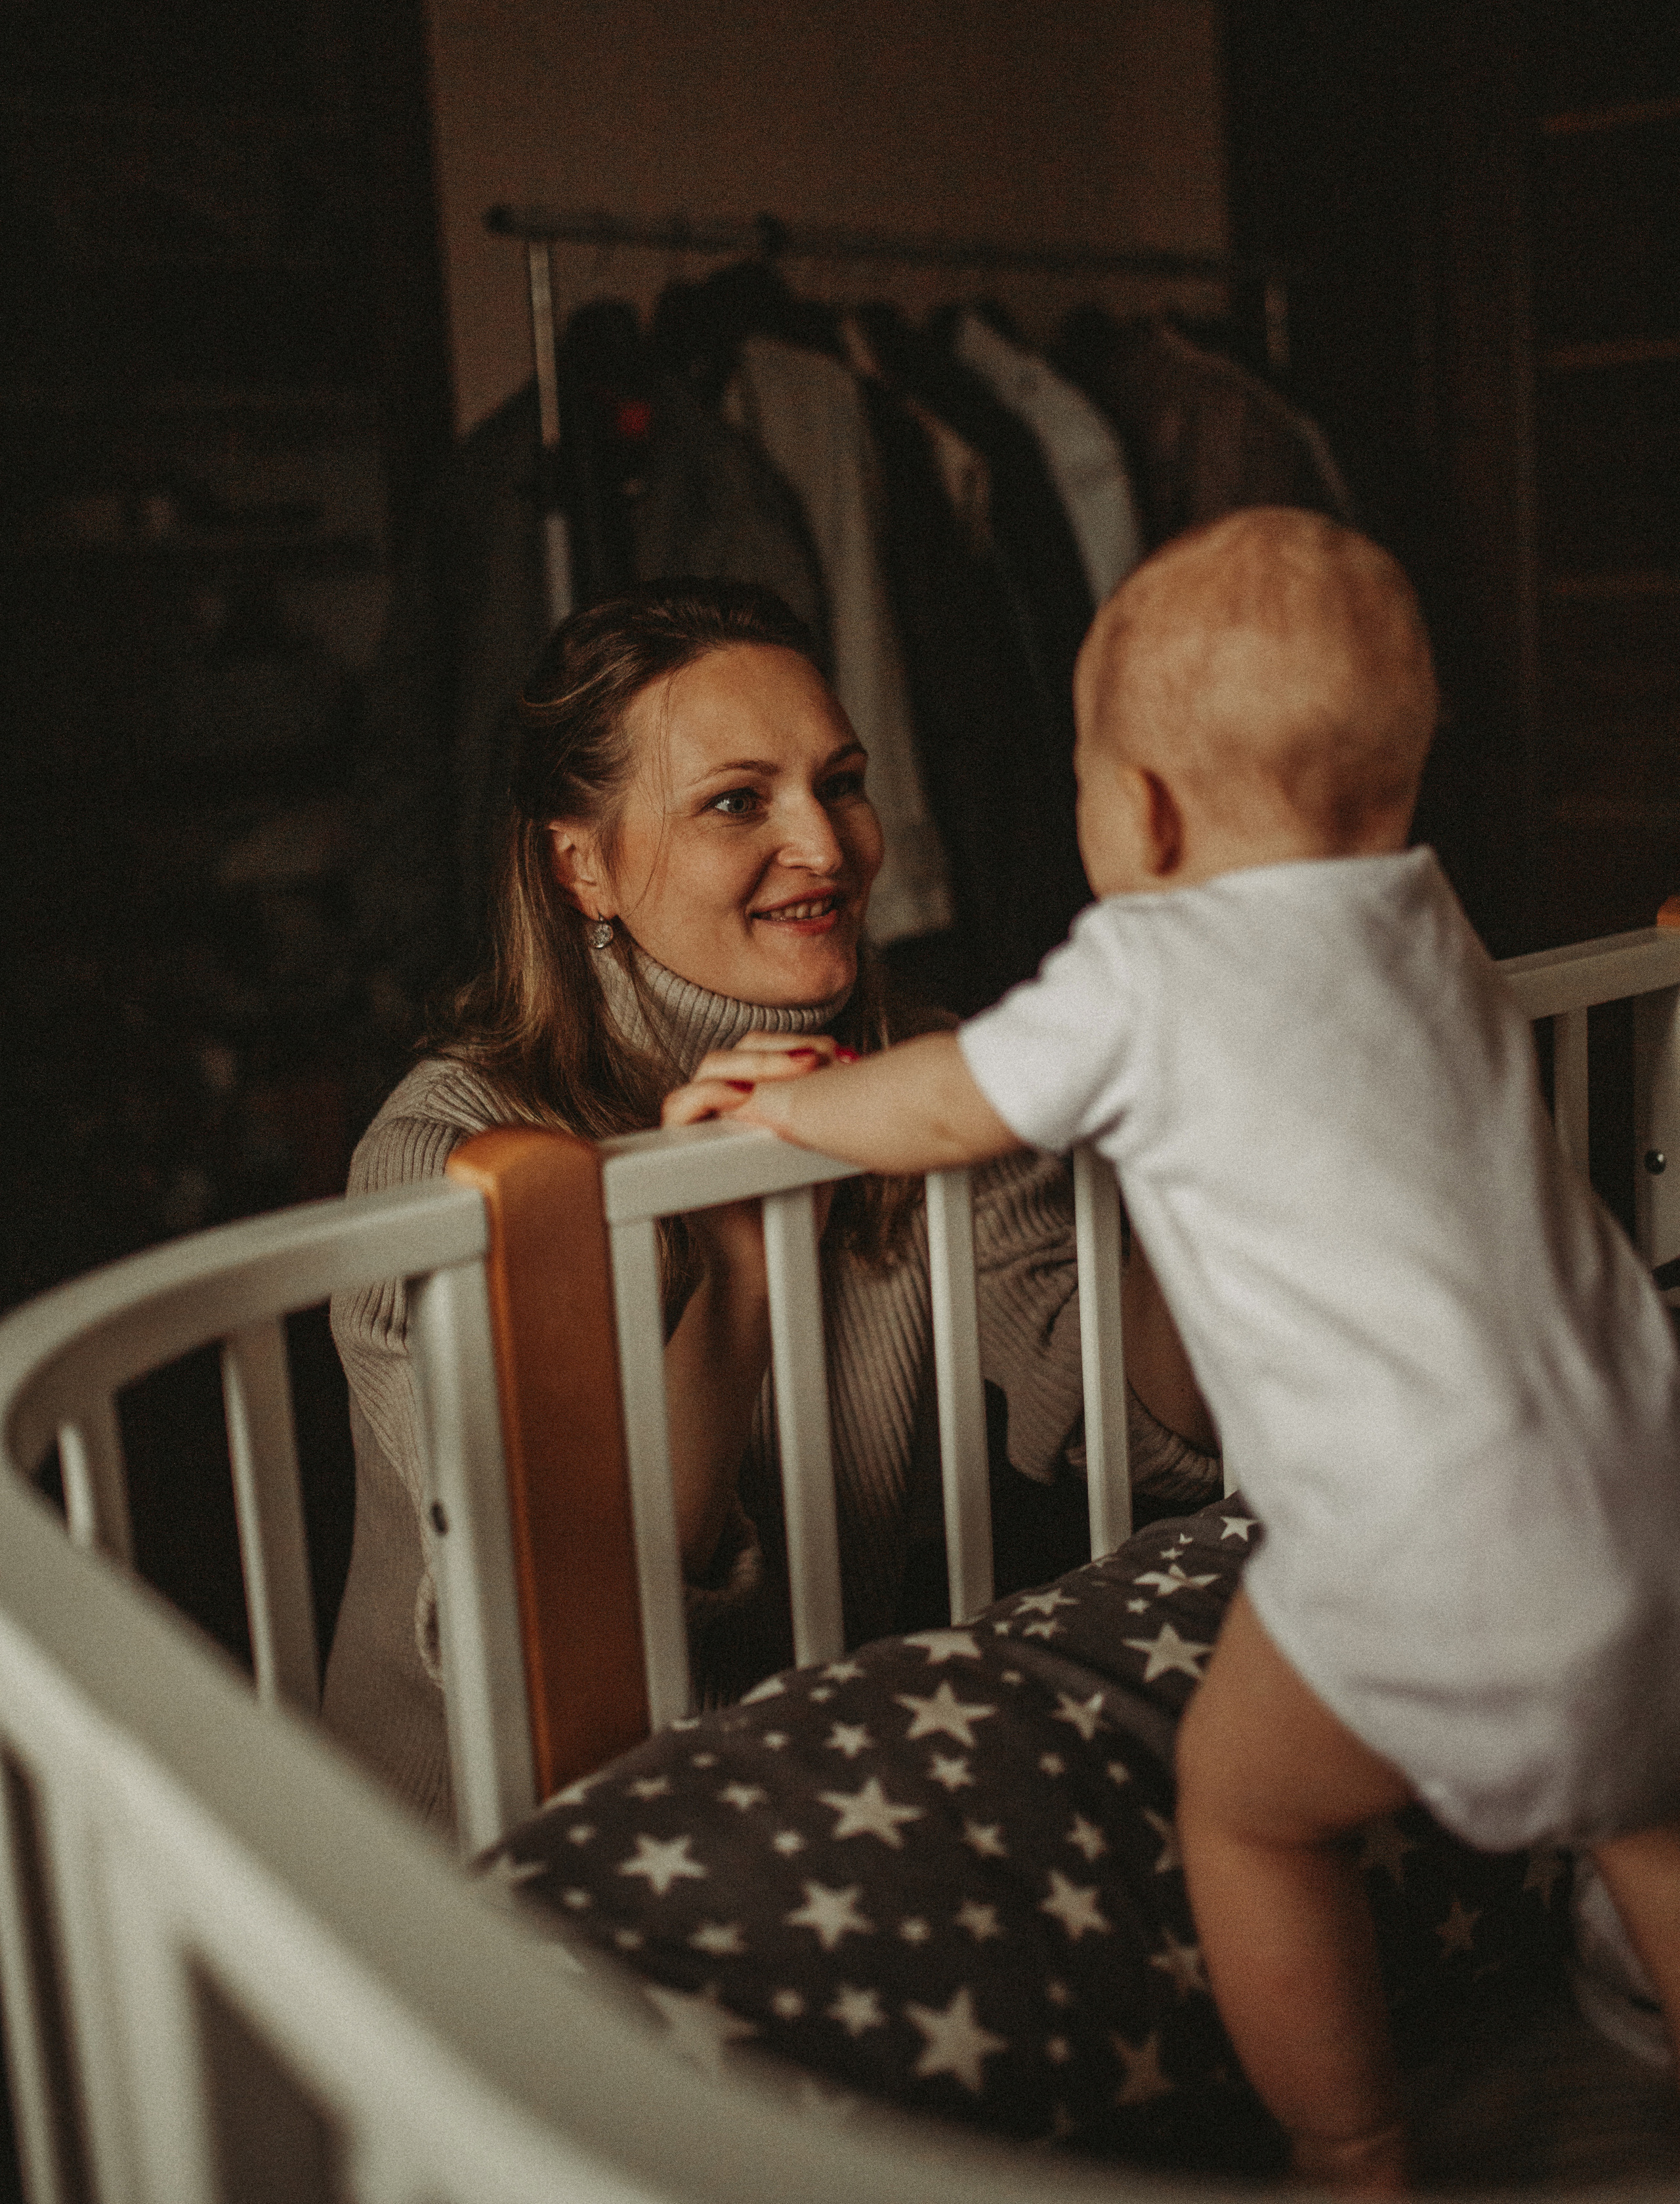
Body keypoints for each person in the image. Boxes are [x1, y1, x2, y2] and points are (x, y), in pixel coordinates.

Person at [734, 510, 1680, 2191]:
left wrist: (799, 1102)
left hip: (1424, 1542)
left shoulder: (1147, 968)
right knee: (1646, 1812)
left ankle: (1353, 2148)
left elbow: (950, 1102)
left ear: (1141, 810)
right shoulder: (1421, 926)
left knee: (1244, 1810)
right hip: (1634, 1499)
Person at [328, 578, 1219, 1832]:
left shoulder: (929, 1070)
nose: (828, 846)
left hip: (796, 1787)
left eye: (842, 782)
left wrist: (1212, 1134)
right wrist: (735, 1253)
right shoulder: (443, 1154)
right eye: (737, 801)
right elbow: (568, 1637)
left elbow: (1135, 1422)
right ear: (583, 864)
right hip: (483, 1841)